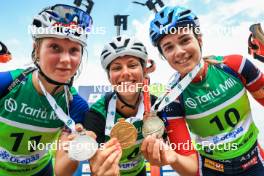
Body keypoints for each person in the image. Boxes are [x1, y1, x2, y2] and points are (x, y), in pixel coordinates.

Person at [0, 4, 121, 176]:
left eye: (74, 50)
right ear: (36, 50)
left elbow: (61, 171)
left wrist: (76, 150)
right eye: (55, 47)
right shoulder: (7, 83)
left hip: (40, 171)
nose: (65, 60)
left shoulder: (76, 105)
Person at [143, 5, 264, 176]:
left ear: (199, 39)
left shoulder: (236, 66)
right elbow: (191, 168)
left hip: (255, 164)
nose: (179, 52)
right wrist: (174, 159)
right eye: (169, 47)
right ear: (163, 55)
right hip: (211, 170)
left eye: (185, 40)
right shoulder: (172, 99)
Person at [83, 34, 198, 176]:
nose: (125, 73)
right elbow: (95, 166)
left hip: (140, 171)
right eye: (117, 68)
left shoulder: (158, 107)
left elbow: (190, 167)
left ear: (144, 71)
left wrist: (168, 153)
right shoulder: (97, 114)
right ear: (109, 77)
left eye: (132, 65)